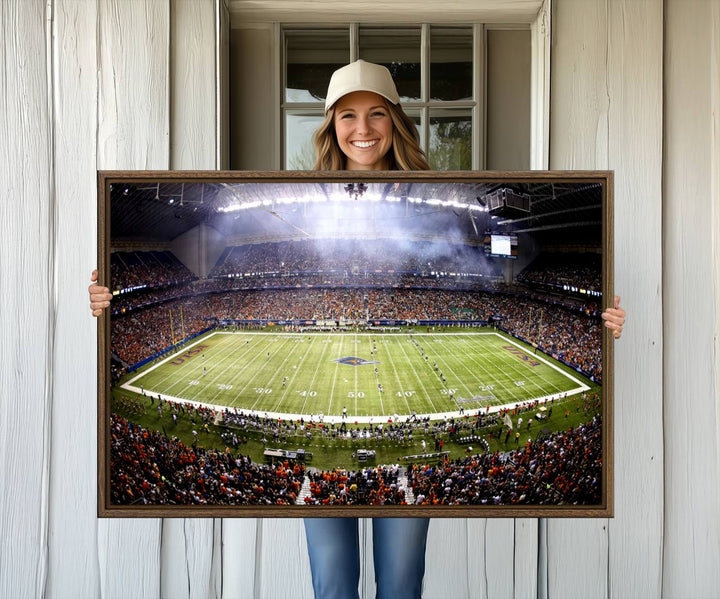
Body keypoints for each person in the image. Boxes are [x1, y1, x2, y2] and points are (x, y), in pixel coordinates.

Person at [88, 59, 627, 599]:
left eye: (376, 114)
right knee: (333, 586)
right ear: (330, 126)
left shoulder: (439, 193)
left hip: (402, 467)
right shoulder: (298, 190)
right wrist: (105, 297)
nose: (362, 129)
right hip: (333, 478)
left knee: (400, 586)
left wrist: (603, 320)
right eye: (347, 116)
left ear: (395, 120)